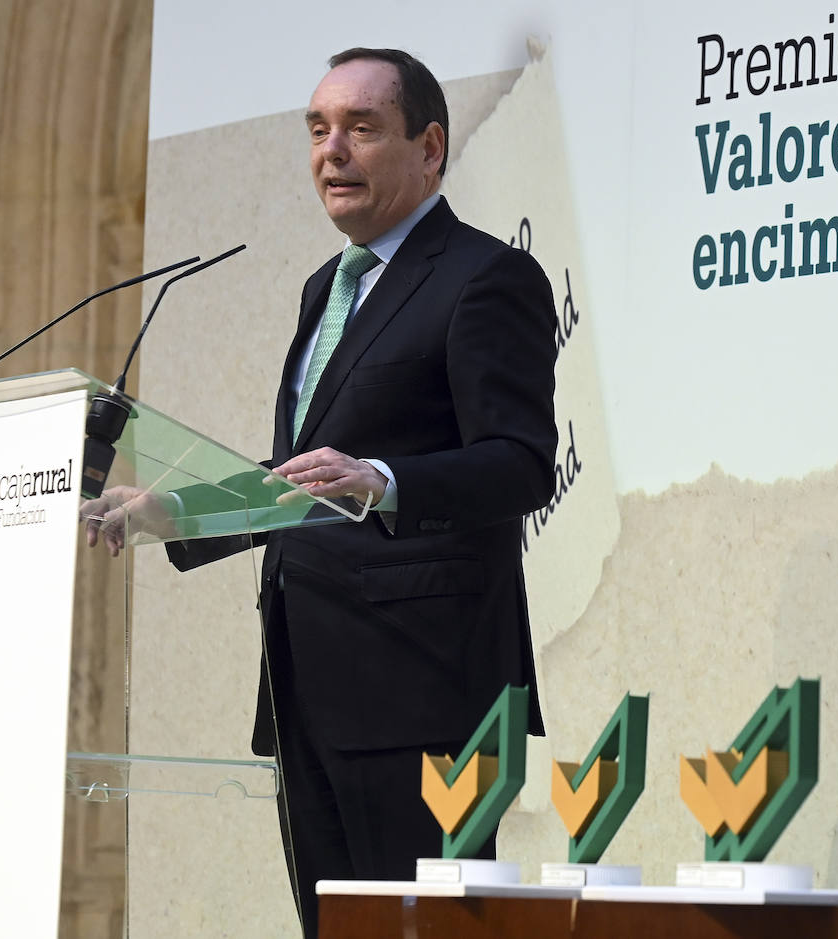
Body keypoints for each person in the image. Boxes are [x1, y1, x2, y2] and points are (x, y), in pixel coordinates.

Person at [85, 48, 556, 936]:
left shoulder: (484, 278)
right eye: (317, 129)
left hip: (426, 691)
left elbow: (523, 462)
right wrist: (173, 511)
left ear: (430, 148)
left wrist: (383, 481)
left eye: (361, 128)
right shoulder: (325, 289)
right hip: (310, 681)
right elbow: (300, 478)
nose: (331, 151)